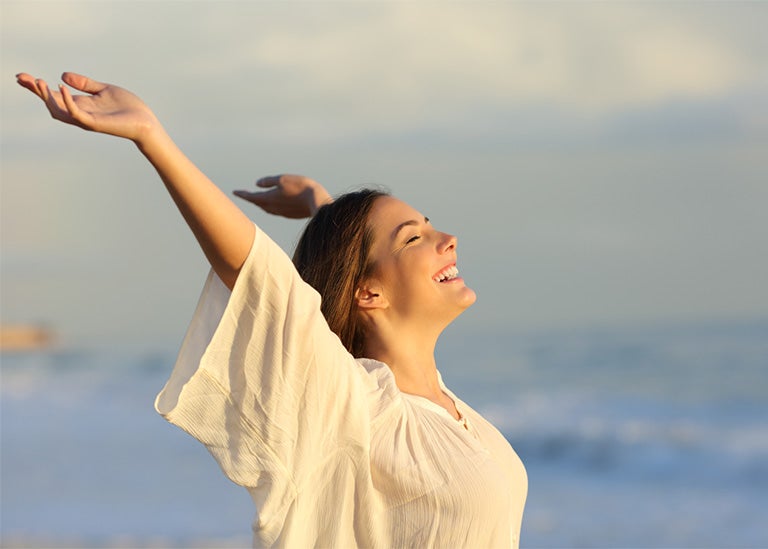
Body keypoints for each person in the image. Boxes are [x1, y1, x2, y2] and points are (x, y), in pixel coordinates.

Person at [17, 72, 527, 548]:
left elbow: (345, 266)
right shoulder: (354, 405)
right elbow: (255, 272)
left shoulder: (448, 409)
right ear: (368, 294)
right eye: (416, 237)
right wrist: (152, 139)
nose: (449, 240)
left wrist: (321, 208)